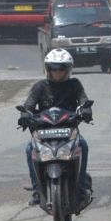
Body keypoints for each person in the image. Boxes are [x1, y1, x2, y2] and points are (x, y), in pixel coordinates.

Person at [18, 49, 93, 206]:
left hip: (68, 130)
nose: (57, 72)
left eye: (61, 69)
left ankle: (80, 189)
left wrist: (86, 109)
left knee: (83, 146)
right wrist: (25, 114)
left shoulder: (75, 84)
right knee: (28, 149)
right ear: (48, 69)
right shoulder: (40, 86)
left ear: (68, 70)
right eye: (53, 69)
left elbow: (83, 99)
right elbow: (29, 104)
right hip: (43, 131)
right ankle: (37, 190)